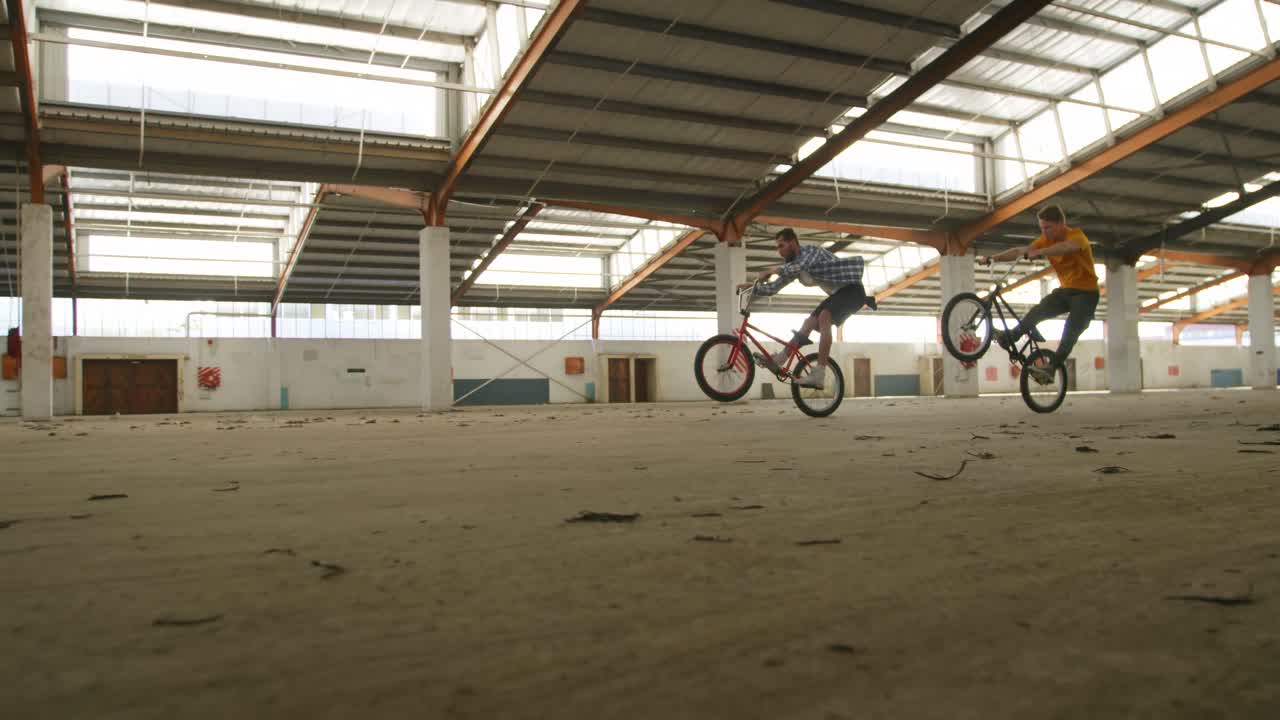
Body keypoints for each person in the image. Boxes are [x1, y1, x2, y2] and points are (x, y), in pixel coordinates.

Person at [737, 228, 876, 388]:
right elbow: (772, 288)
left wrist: (772, 270)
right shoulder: (790, 266)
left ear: (793, 242)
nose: (779, 251)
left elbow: (800, 267)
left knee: (825, 316)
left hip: (853, 291)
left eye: (781, 246)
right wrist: (751, 287)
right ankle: (780, 359)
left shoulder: (811, 252)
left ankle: (819, 374)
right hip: (838, 294)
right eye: (777, 248)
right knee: (808, 322)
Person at [980, 205, 1099, 371]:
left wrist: (1041, 252)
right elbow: (1018, 251)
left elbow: (1066, 247)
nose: (1045, 232)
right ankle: (1010, 338)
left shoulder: (1077, 236)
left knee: (1070, 331)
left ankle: (1052, 368)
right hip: (1066, 291)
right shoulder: (1045, 240)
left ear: (1061, 223)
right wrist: (992, 258)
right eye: (1042, 228)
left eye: (1048, 228)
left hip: (1086, 295)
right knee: (1038, 311)